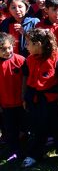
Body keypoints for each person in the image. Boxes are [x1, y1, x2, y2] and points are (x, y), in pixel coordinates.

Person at [21, 28, 58, 168]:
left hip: (53, 98)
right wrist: (23, 96)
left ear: (39, 44)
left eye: (28, 43)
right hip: (35, 98)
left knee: (57, 126)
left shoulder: (57, 58)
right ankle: (34, 154)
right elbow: (25, 78)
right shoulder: (29, 59)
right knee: (37, 127)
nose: (26, 46)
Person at [0, 32, 26, 162]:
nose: (7, 51)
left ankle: (27, 150)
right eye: (3, 49)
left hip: (22, 103)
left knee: (25, 128)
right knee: (10, 130)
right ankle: (14, 151)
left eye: (9, 47)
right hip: (6, 105)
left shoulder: (21, 60)